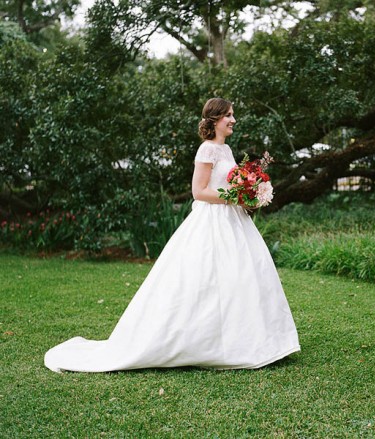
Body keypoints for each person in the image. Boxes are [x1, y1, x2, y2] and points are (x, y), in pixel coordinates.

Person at [45, 98, 300, 372]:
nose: (233, 120)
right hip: (211, 221)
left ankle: (253, 342)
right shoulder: (207, 150)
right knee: (203, 280)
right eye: (228, 115)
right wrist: (235, 196)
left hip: (233, 221)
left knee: (242, 277)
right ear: (214, 120)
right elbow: (199, 192)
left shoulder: (225, 149)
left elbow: (227, 183)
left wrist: (248, 194)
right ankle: (202, 343)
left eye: (233, 115)